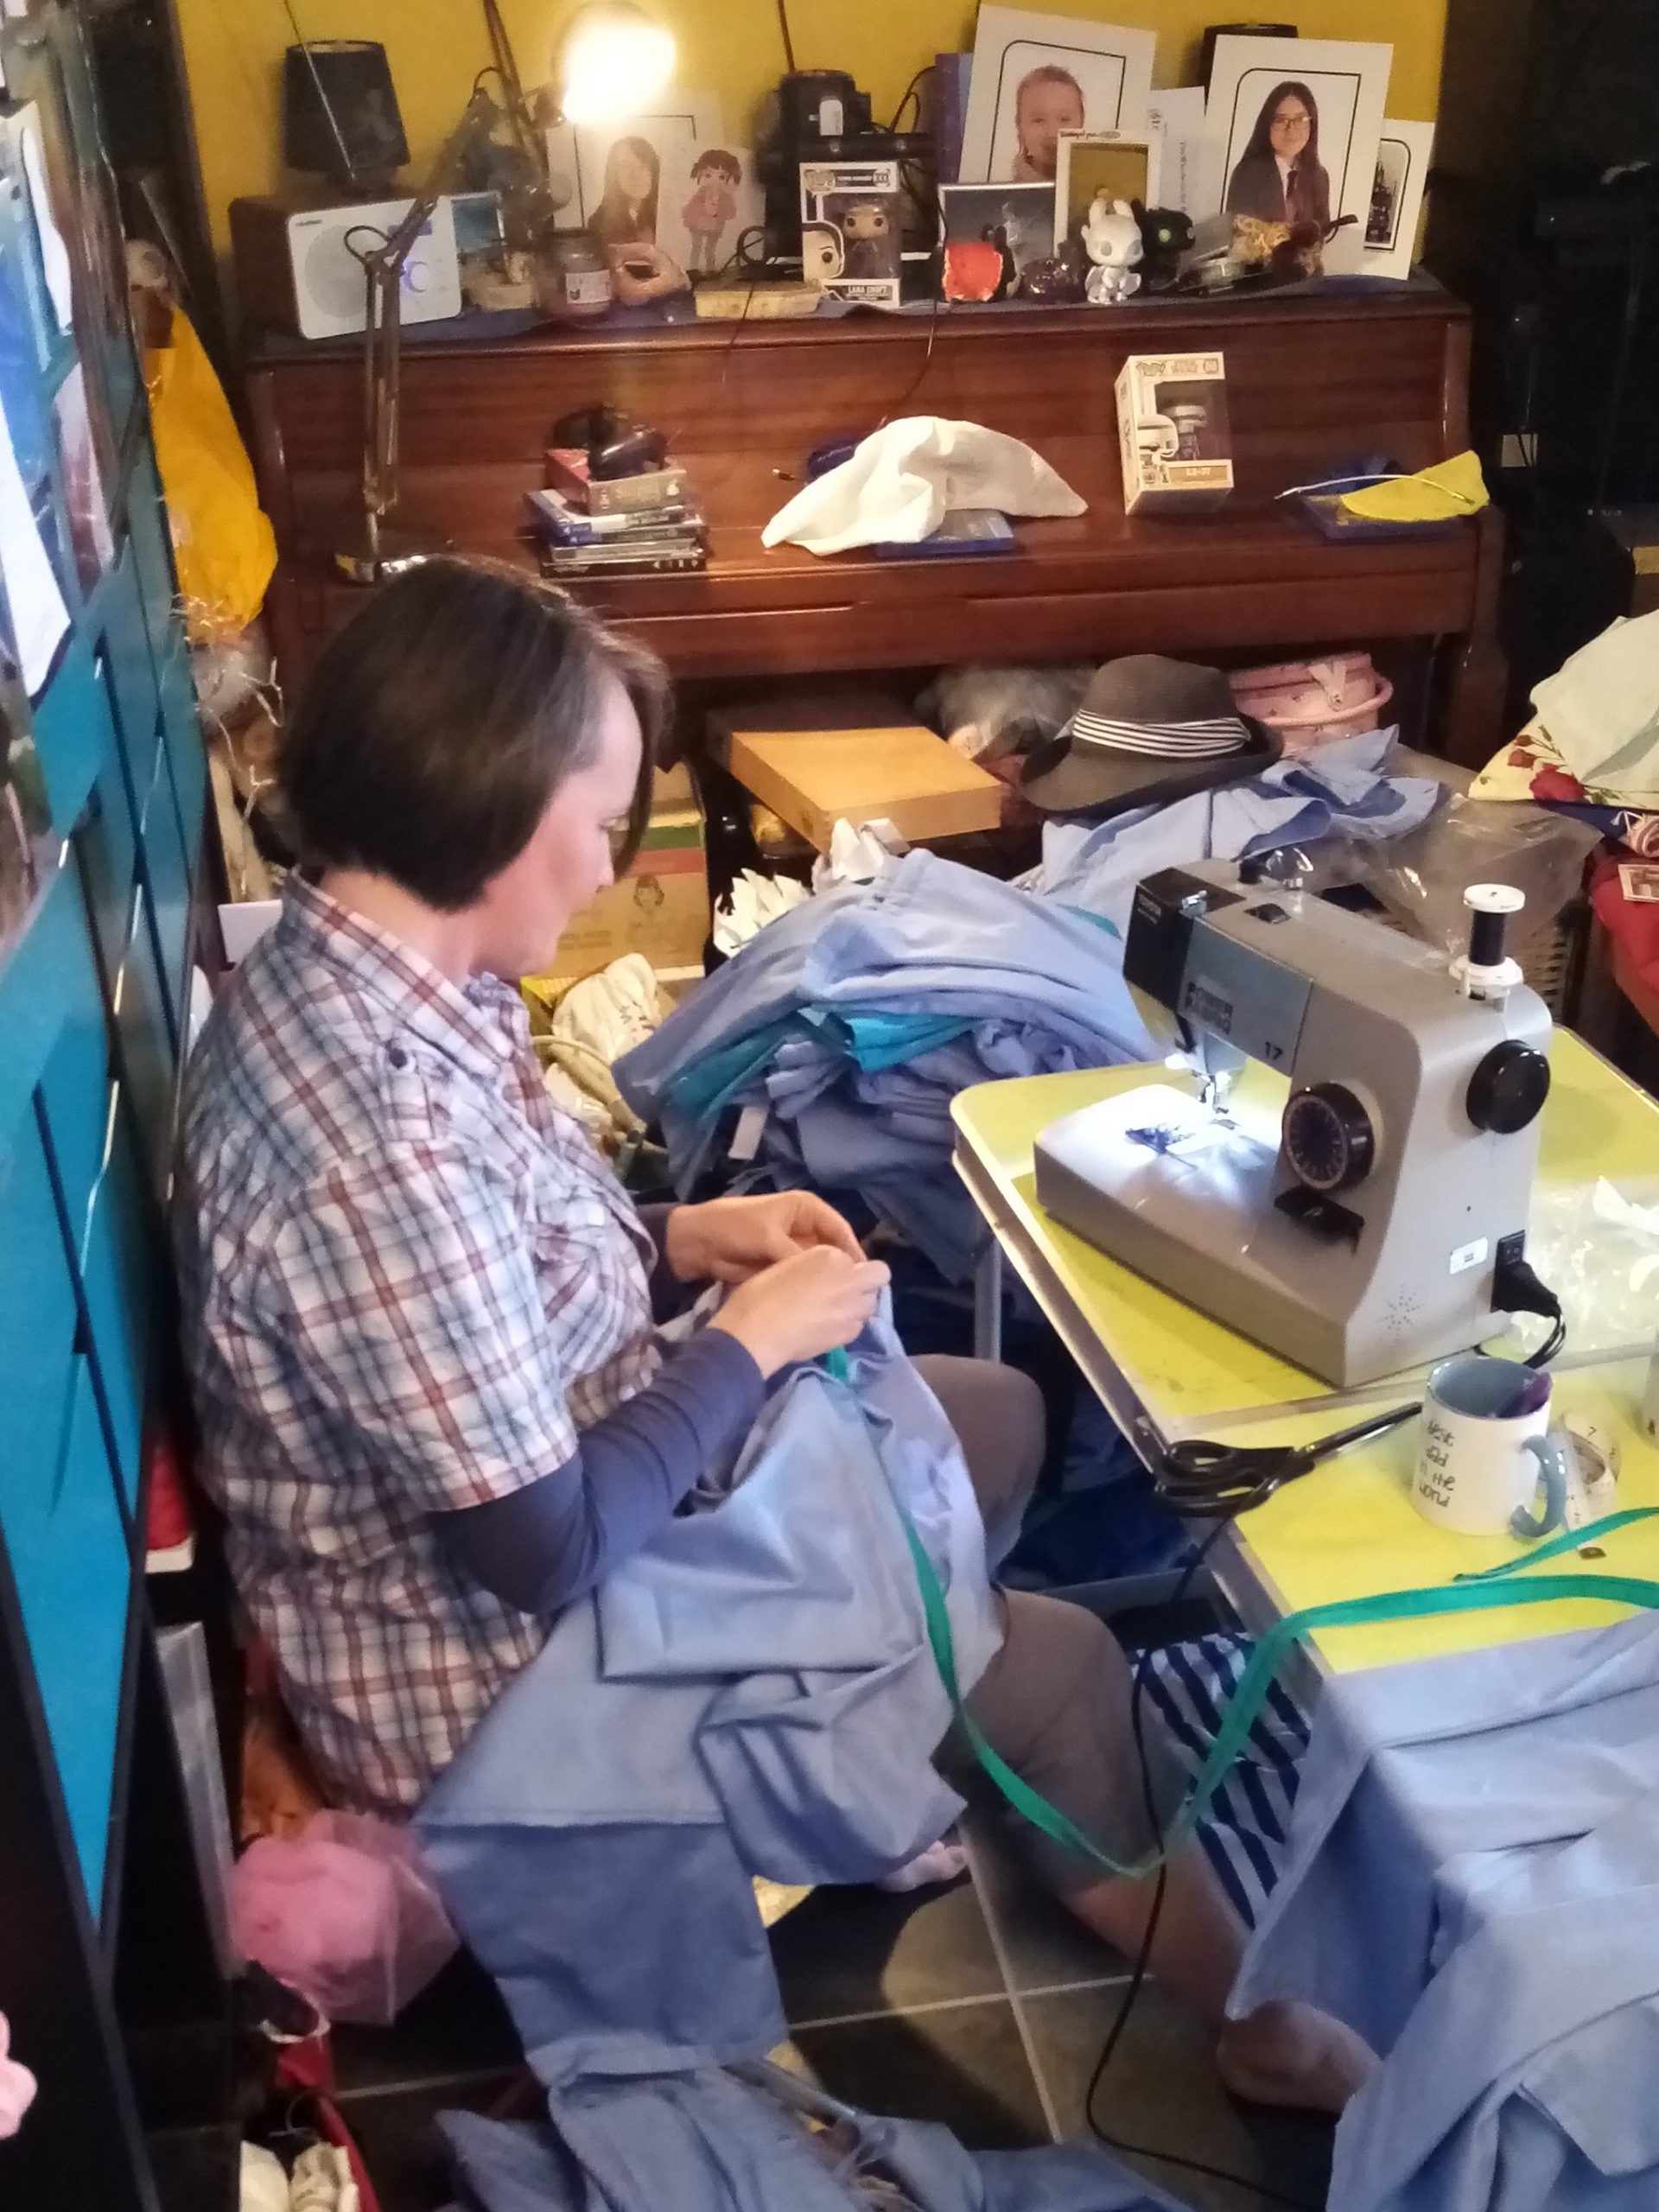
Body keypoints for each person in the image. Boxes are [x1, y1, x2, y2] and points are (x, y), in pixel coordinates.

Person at [176, 558, 1370, 2116]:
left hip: (559, 1502)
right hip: (497, 1682)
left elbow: (492, 1269)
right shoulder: (372, 1141)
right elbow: (535, 1548)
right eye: (599, 825)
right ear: (487, 807)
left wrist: (684, 1239)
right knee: (1060, 1668)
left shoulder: (387, 975)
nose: (609, 867)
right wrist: (739, 1341)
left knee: (989, 1412)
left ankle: (872, 1756)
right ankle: (1265, 2022)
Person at [1225, 80, 1331, 231]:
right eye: (1281, 120)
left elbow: (1322, 231)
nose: (1291, 129)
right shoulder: (1248, 174)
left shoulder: (1320, 176)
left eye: (1300, 119)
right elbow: (1240, 236)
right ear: (1267, 125)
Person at [1011, 62, 1084, 184]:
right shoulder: (1006, 200)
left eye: (1064, 119)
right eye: (1038, 120)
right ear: (1019, 125)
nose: (1052, 133)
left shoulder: (1105, 194)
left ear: (1081, 123)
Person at [589, 133, 660, 249]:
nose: (637, 175)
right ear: (613, 174)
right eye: (626, 166)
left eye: (643, 166)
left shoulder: (668, 215)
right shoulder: (599, 223)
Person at [681, 146, 741, 275]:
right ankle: (694, 268)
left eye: (721, 177)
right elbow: (693, 203)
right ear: (700, 174)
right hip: (699, 223)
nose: (714, 180)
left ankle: (711, 268)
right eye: (708, 175)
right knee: (696, 245)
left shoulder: (725, 196)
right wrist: (687, 211)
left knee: (710, 247)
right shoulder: (702, 192)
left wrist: (722, 210)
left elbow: (731, 211)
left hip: (715, 225)